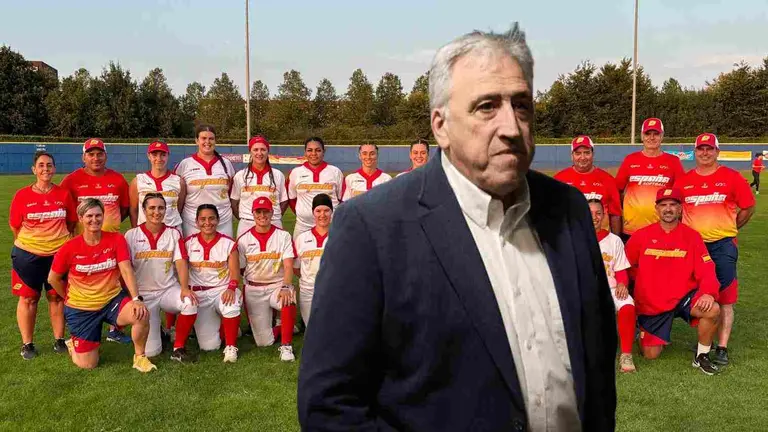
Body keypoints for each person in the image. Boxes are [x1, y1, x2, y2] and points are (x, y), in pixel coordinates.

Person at [298, 24, 617, 432]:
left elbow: (597, 363)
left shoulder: (569, 210)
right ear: (440, 126)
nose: (512, 127)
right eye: (487, 106)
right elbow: (329, 408)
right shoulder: (371, 229)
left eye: (522, 106)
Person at [47, 198, 156, 372]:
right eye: (89, 216)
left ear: (103, 216)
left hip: (111, 301)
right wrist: (68, 298)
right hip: (82, 308)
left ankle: (140, 358)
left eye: (98, 215)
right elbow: (53, 278)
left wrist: (136, 299)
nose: (94, 220)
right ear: (81, 218)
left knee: (141, 313)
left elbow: (126, 269)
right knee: (88, 365)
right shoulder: (69, 247)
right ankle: (74, 343)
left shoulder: (116, 239)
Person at [676, 133, 755, 366]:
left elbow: (748, 208)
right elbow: (676, 211)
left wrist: (731, 227)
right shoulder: (684, 181)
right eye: (700, 149)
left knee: (726, 297)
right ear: (695, 152)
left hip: (722, 245)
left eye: (709, 149)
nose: (705, 153)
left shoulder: (731, 178)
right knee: (699, 294)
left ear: (717, 151)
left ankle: (722, 347)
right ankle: (704, 341)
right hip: (695, 248)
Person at [625, 188, 722, 375]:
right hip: (652, 303)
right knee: (650, 354)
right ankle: (642, 329)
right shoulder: (641, 236)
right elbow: (625, 267)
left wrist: (709, 292)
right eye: (663, 205)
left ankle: (701, 356)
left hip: (683, 297)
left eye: (673, 205)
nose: (668, 209)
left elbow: (707, 269)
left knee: (713, 309)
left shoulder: (692, 236)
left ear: (680, 209)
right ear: (656, 209)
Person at [60, 138, 132, 344]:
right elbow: (65, 209)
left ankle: (114, 329)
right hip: (83, 245)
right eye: (91, 154)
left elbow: (124, 208)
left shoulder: (117, 180)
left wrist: (111, 224)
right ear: (84, 157)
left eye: (99, 153)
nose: (96, 157)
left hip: (110, 243)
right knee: (82, 287)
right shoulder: (71, 180)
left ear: (105, 156)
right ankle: (78, 330)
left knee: (117, 284)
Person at [9, 151, 78, 360]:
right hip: (28, 256)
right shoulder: (22, 195)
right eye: (41, 165)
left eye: (49, 165)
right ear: (34, 169)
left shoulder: (63, 194)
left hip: (57, 255)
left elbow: (71, 222)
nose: (45, 169)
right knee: (29, 298)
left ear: (54, 168)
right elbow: (15, 226)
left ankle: (59, 340)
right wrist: (35, 242)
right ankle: (27, 344)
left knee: (56, 296)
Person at [124, 193, 198, 362]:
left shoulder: (173, 233)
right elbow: (125, 268)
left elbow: (180, 262)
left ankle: (178, 347)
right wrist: (132, 297)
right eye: (151, 208)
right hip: (144, 296)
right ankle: (160, 332)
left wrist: (185, 288)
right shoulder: (131, 235)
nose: (156, 212)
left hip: (168, 290)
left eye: (160, 208)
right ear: (144, 210)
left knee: (190, 303)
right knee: (151, 352)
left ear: (165, 210)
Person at [237, 197, 297, 361]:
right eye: (259, 212)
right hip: (254, 289)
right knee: (264, 343)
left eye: (266, 211)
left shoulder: (283, 235)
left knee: (288, 298)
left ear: (272, 213)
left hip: (277, 285)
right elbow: (241, 269)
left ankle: (286, 346)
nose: (262, 215)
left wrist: (286, 286)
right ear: (253, 214)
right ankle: (282, 325)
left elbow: (288, 265)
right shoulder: (244, 239)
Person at [183, 204, 241, 363]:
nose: (207, 223)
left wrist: (231, 288)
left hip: (222, 289)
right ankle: (225, 329)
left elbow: (235, 272)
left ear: (218, 220)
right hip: (200, 294)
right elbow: (181, 270)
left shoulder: (228, 243)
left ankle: (230, 346)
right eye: (202, 219)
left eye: (211, 218)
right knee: (209, 346)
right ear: (196, 222)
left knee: (231, 303)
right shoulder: (188, 243)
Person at [616, 118, 685, 242]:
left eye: (656, 134)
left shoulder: (673, 161)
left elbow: (680, 196)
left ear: (662, 136)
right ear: (642, 136)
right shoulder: (630, 160)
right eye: (648, 134)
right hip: (632, 229)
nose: (651, 138)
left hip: (663, 228)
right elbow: (618, 190)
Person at [587, 199, 636, 373]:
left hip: (611, 289)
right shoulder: (575, 239)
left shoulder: (614, 240)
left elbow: (621, 270)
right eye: (590, 213)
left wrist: (623, 283)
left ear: (604, 215)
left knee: (628, 306)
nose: (594, 217)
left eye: (598, 213)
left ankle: (626, 355)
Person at [175, 125, 236, 238]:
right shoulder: (185, 164)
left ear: (215, 140)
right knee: (194, 255)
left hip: (222, 220)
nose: (207, 142)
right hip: (192, 221)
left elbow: (231, 192)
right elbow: (178, 197)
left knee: (224, 254)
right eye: (203, 138)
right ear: (197, 140)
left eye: (211, 138)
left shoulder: (226, 164)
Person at [554, 135, 623, 234]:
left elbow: (615, 215)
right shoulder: (559, 179)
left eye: (587, 153)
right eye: (578, 153)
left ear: (593, 154)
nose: (582, 157)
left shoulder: (607, 179)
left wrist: (617, 241)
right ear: (572, 155)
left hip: (600, 240)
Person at [231, 135, 288, 237]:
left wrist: (273, 216)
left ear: (268, 152)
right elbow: (234, 202)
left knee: (274, 253)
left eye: (263, 149)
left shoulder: (278, 175)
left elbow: (284, 201)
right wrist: (245, 217)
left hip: (273, 222)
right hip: (247, 224)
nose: (259, 153)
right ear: (250, 152)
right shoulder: (240, 175)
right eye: (255, 149)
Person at [287, 137, 343, 240]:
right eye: (310, 150)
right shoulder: (296, 172)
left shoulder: (335, 172)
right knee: (300, 255)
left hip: (329, 225)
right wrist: (304, 213)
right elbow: (292, 199)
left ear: (323, 151)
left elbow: (341, 199)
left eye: (318, 150)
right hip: (303, 226)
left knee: (332, 255)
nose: (314, 153)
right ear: (305, 152)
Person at [293, 194, 332, 326]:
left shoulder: (339, 235)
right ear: (313, 213)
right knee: (313, 328)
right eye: (318, 211)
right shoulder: (302, 238)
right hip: (308, 290)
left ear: (332, 211)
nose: (323, 215)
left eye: (326, 210)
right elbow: (296, 268)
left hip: (332, 288)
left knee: (334, 327)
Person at [129, 141, 185, 230]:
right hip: (145, 233)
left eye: (163, 155)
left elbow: (179, 209)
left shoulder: (178, 181)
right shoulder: (138, 181)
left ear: (168, 156)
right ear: (148, 156)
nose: (159, 159)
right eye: (154, 155)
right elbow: (133, 210)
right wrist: (136, 231)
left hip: (172, 233)